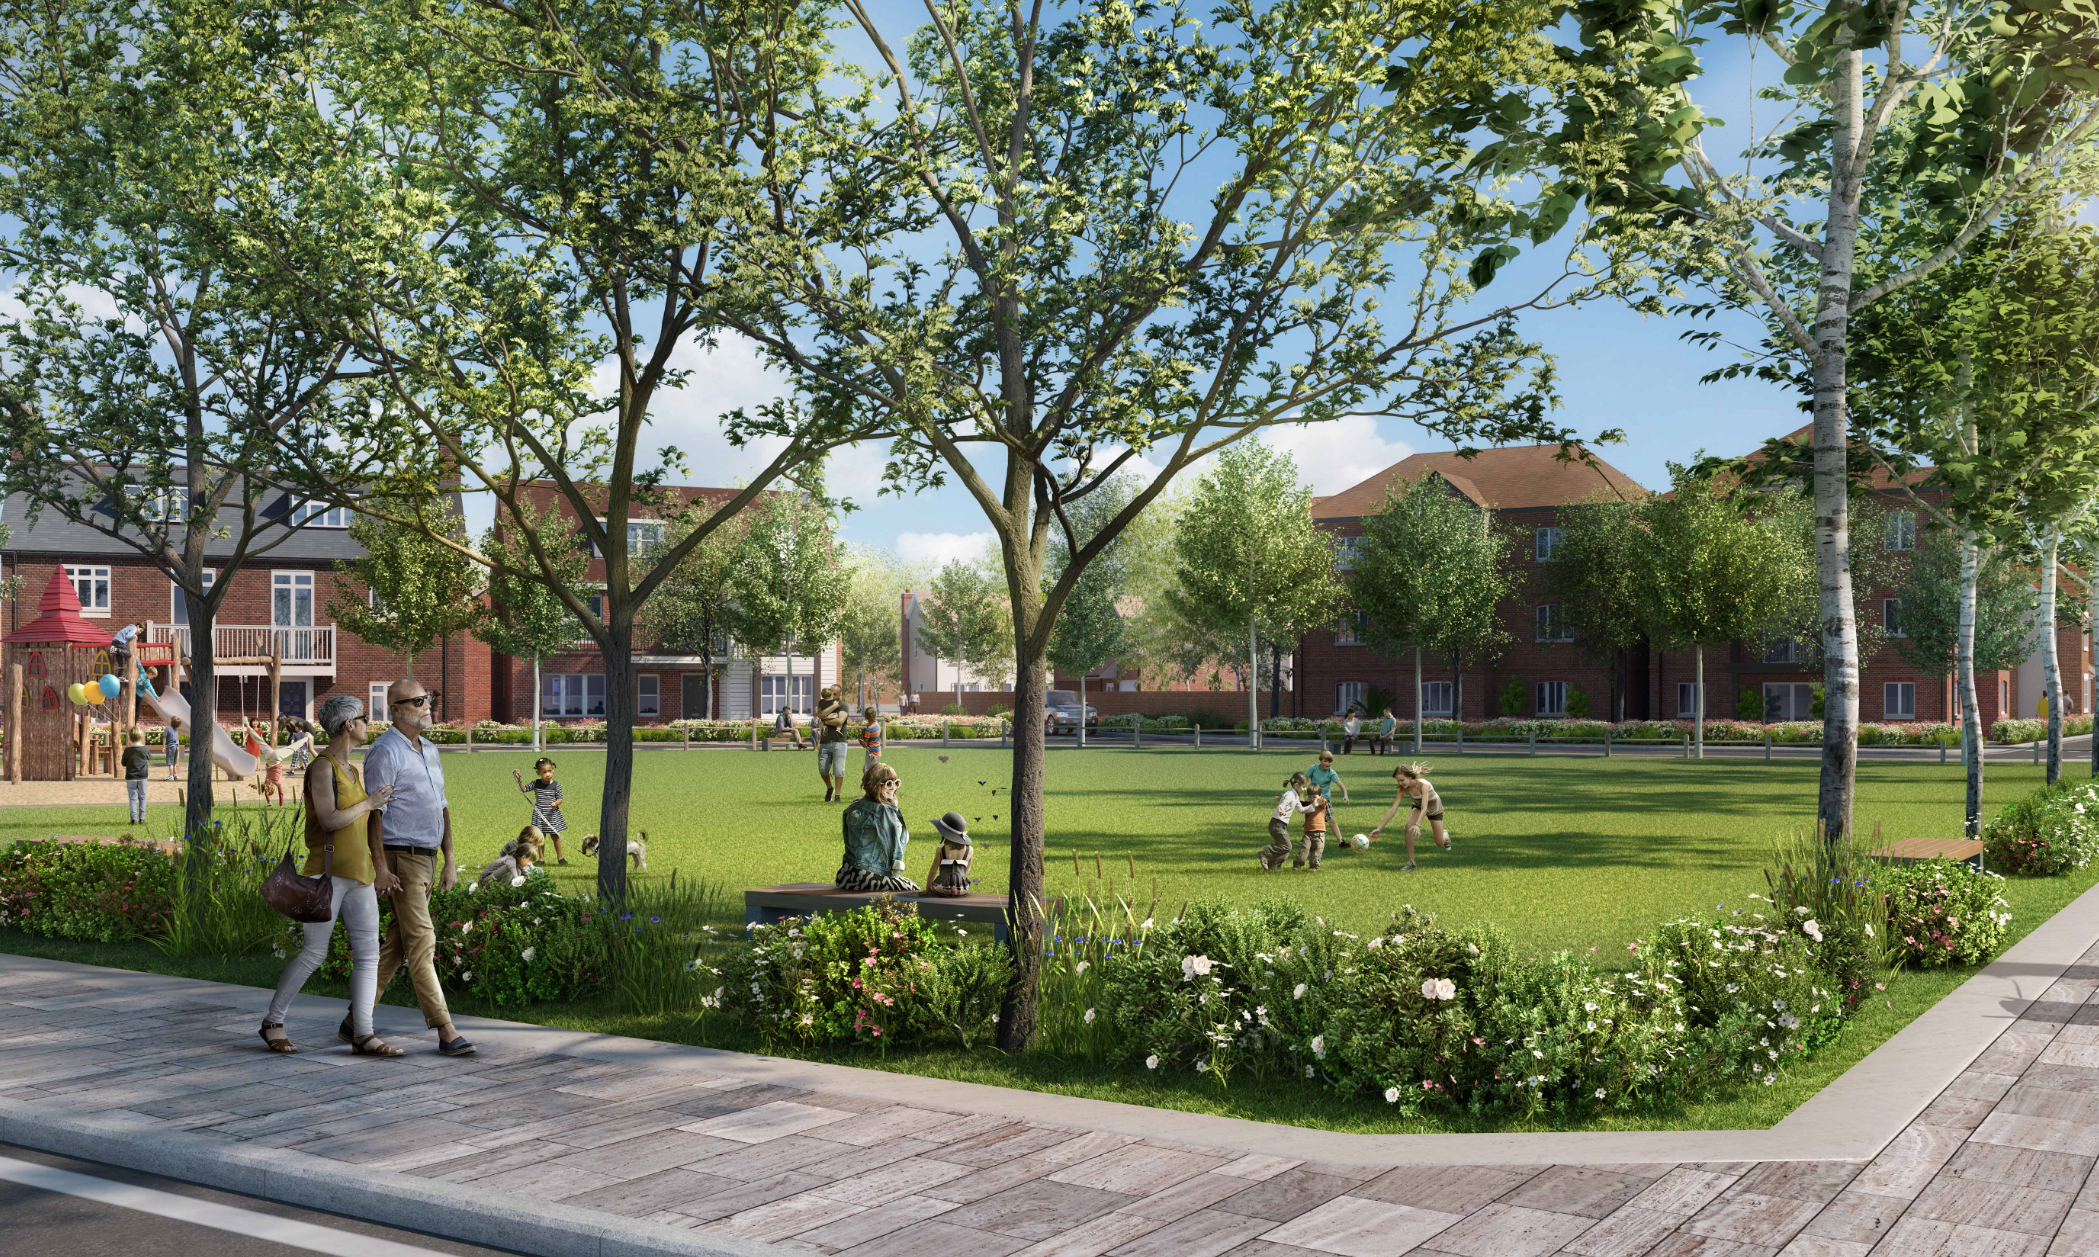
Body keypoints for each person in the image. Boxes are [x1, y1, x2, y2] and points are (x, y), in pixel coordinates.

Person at [260, 694, 402, 1056]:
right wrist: (370, 803)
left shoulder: (353, 769)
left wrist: (379, 865)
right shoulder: (322, 767)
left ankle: (363, 1033)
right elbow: (328, 819)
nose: (369, 724)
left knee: (369, 955)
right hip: (327, 875)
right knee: (314, 954)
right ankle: (273, 1021)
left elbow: (363, 824)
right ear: (348, 725)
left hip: (360, 874)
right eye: (365, 718)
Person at [363, 678, 474, 1056]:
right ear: (395, 709)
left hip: (427, 857)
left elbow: (441, 805)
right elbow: (374, 815)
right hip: (400, 857)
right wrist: (380, 867)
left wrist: (450, 860)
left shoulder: (429, 749)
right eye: (417, 701)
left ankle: (355, 1020)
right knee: (423, 941)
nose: (427, 705)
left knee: (396, 945)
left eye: (428, 699)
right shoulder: (384, 752)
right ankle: (445, 1029)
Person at [837, 760, 918, 891]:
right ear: (875, 785)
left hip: (848, 872)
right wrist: (893, 810)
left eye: (896, 783)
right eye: (888, 784)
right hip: (870, 875)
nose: (894, 788)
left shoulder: (855, 805)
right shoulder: (884, 810)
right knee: (914, 891)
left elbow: (847, 837)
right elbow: (894, 843)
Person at [1369, 761, 1453, 872]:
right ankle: (1411, 863)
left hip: (1433, 807)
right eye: (1398, 780)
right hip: (1418, 805)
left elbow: (1425, 807)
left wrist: (1418, 825)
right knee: (1408, 827)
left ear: (1409, 777)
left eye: (1402, 780)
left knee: (1439, 843)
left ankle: (1445, 836)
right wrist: (1379, 828)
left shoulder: (1424, 785)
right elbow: (1393, 810)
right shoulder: (1403, 789)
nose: (1400, 783)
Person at [511, 758, 571, 864]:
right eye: (544, 772)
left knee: (555, 836)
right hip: (539, 815)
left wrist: (555, 803)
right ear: (538, 773)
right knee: (540, 837)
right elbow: (523, 789)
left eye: (550, 771)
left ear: (553, 770)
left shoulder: (556, 785)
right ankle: (541, 858)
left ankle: (560, 858)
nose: (547, 774)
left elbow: (560, 798)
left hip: (552, 815)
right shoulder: (536, 784)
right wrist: (519, 778)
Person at [1260, 772, 1314, 870]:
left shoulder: (1295, 796)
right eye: (1303, 787)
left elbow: (1301, 810)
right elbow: (1283, 804)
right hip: (1277, 824)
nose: (1305, 789)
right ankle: (1265, 853)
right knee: (1287, 846)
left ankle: (1274, 866)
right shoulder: (1289, 795)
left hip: (1280, 825)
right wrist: (1281, 809)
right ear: (1296, 785)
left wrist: (1313, 806)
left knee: (1285, 849)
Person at [923, 812, 973, 896]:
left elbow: (933, 870)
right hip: (962, 889)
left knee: (936, 887)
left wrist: (927, 889)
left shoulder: (941, 848)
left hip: (942, 888)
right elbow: (967, 870)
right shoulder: (970, 849)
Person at [815, 685, 850, 802]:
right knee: (822, 769)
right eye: (831, 693)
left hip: (839, 743)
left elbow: (840, 720)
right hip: (825, 743)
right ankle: (830, 788)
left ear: (839, 695)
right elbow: (819, 714)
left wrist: (824, 721)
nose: (832, 695)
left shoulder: (843, 706)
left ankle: (837, 796)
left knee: (839, 770)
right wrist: (826, 715)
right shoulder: (825, 703)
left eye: (835, 694)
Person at [121, 729, 151, 824]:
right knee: (142, 797)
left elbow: (123, 763)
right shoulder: (145, 749)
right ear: (141, 737)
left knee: (133, 798)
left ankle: (133, 819)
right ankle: (142, 818)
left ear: (130, 737)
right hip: (142, 777)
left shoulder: (127, 750)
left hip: (130, 777)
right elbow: (149, 757)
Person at [1296, 788, 1330, 871]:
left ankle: (1313, 867)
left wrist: (1319, 799)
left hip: (1320, 833)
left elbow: (1323, 801)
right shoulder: (1308, 804)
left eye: (1314, 797)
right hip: (1308, 832)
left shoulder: (1321, 803)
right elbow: (1301, 802)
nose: (1311, 799)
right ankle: (1297, 865)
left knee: (1317, 850)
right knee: (1304, 849)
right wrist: (1301, 793)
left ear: (1319, 796)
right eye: (1310, 797)